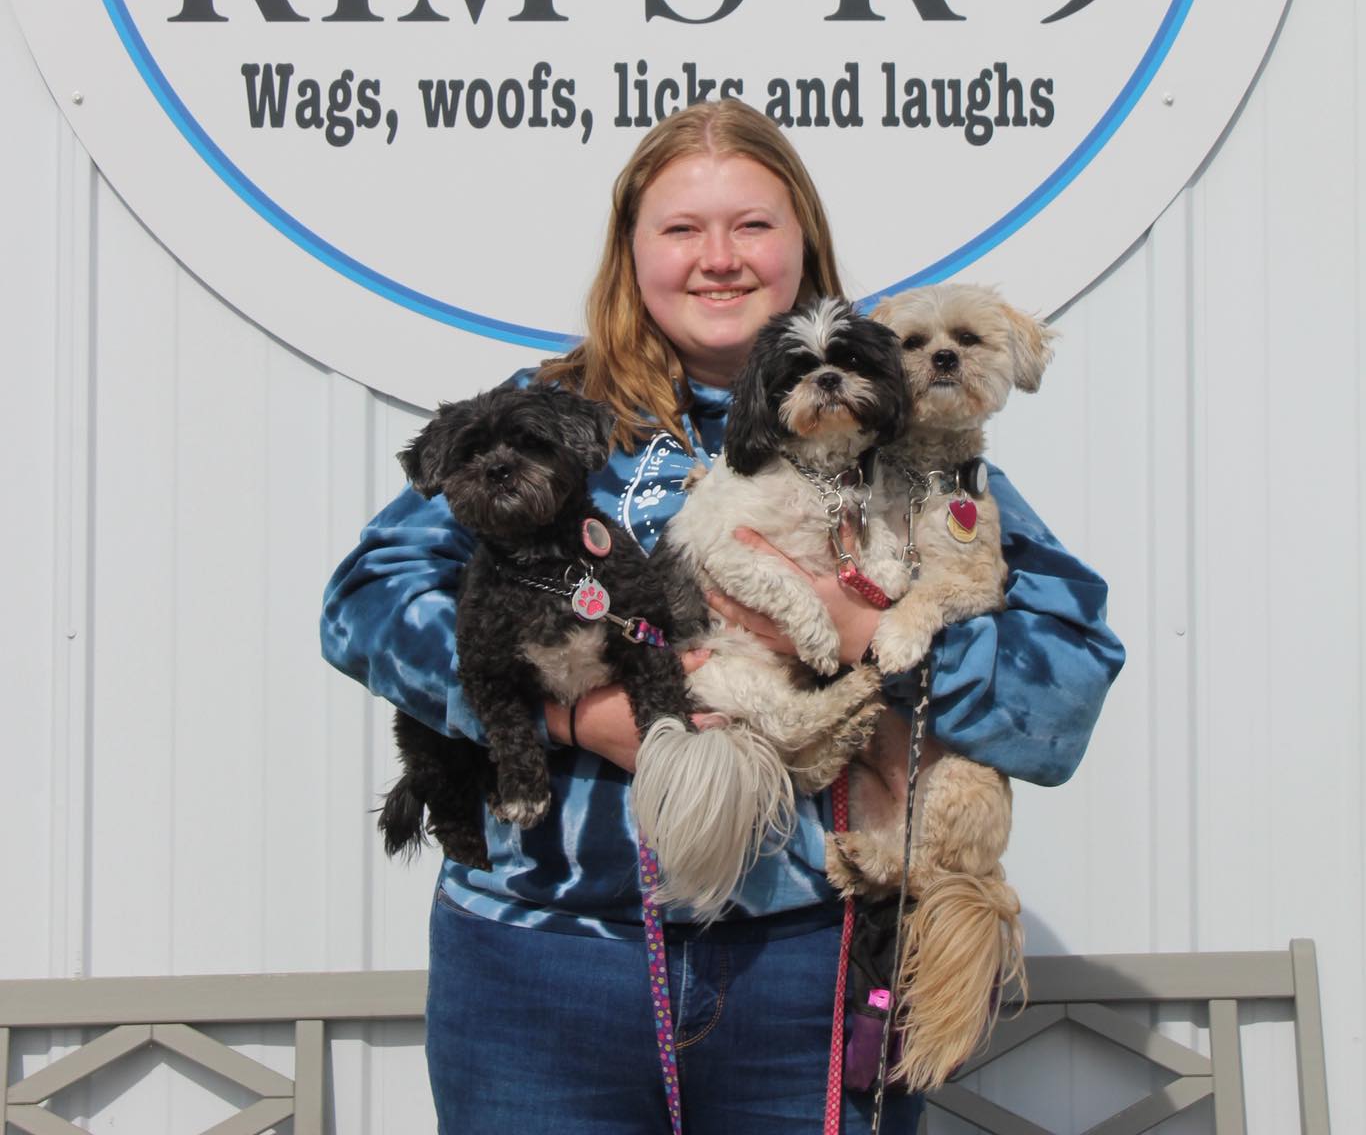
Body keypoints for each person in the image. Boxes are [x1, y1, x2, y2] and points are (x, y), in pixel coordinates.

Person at [322, 101, 1124, 1132]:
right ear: (631, 251)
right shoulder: (543, 417)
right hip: (542, 965)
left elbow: (1063, 687)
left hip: (810, 960)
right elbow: (364, 599)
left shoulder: (909, 435)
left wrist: (865, 629)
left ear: (803, 245)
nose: (719, 258)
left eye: (752, 224)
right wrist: (576, 717)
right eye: (681, 228)